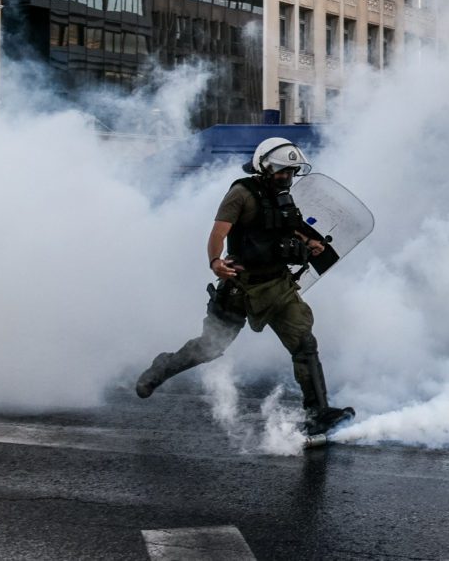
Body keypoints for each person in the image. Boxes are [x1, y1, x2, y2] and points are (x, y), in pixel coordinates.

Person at [135, 137, 353, 436]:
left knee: (305, 345)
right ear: (264, 166)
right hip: (240, 288)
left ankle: (318, 413)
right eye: (281, 171)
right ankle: (162, 368)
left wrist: (309, 241)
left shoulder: (284, 197)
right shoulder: (241, 194)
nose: (286, 177)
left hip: (278, 287)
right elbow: (218, 232)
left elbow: (289, 226)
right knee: (209, 348)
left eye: (290, 172)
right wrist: (215, 262)